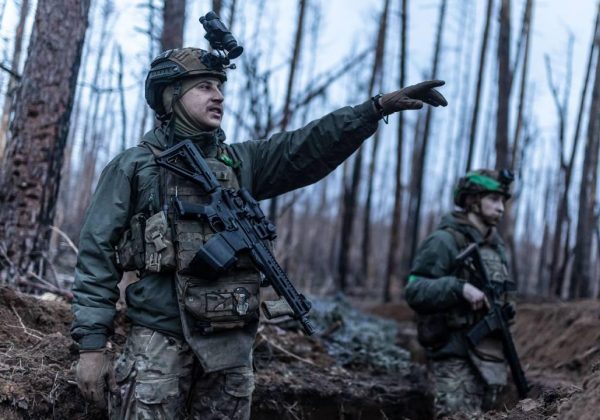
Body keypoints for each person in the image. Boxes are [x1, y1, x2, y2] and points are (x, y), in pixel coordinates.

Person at [70, 44, 447, 419]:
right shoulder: (135, 167)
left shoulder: (239, 161)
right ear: (170, 95)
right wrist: (91, 347)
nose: (218, 96)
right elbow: (96, 254)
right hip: (158, 345)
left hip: (231, 349)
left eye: (220, 86)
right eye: (204, 87)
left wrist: (373, 109)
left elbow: (306, 147)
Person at [404, 169, 517, 418]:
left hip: (492, 359)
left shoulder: (496, 248)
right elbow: (414, 290)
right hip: (454, 357)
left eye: (503, 202)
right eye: (494, 199)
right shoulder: (444, 241)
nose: (501, 208)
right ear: (473, 201)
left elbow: (504, 294)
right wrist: (459, 288)